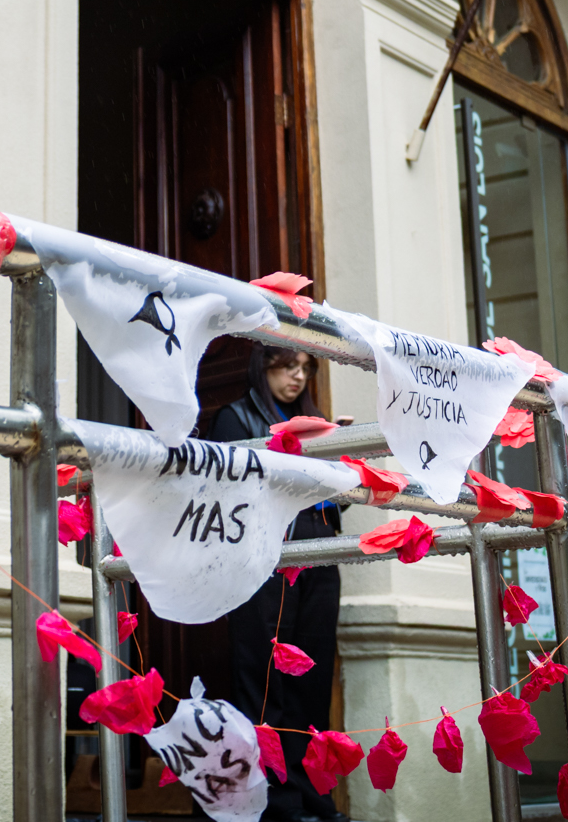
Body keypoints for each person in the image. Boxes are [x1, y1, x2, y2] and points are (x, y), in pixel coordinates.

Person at [208, 343, 347, 822]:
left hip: (319, 551)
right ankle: (275, 801)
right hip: (264, 552)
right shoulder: (235, 418)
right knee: (264, 678)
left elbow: (335, 500)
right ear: (262, 366)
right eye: (288, 366)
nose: (298, 376)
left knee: (314, 676)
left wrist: (337, 455)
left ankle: (312, 795)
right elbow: (228, 489)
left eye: (306, 367)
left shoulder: (315, 423)